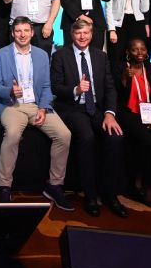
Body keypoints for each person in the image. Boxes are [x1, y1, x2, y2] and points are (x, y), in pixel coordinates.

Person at [0, 17, 73, 209]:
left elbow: (46, 86)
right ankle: (4, 186)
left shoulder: (41, 55)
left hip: (36, 105)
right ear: (13, 33)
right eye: (18, 31)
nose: (22, 34)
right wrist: (10, 91)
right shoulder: (1, 55)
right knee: (12, 134)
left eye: (26, 30)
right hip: (12, 105)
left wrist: (43, 108)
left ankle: (54, 185)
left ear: (32, 32)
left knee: (64, 135)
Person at [51, 18, 127, 217]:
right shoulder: (60, 55)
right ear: (72, 35)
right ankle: (90, 195)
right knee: (87, 137)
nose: (82, 36)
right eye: (78, 33)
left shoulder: (101, 56)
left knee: (115, 137)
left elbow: (110, 88)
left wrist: (110, 114)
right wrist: (75, 89)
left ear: (92, 35)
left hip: (98, 110)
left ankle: (110, 194)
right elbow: (55, 87)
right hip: (73, 108)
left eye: (85, 33)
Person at [114, 38, 151, 208]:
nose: (139, 52)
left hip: (150, 112)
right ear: (128, 52)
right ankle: (147, 186)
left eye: (143, 49)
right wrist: (124, 79)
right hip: (128, 112)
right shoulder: (119, 68)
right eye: (135, 49)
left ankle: (141, 175)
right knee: (148, 143)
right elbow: (115, 95)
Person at [105, 0, 150, 70]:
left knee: (137, 56)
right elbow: (108, 9)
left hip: (137, 23)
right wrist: (111, 30)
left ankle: (137, 81)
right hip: (118, 24)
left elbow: (145, 9)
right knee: (116, 56)